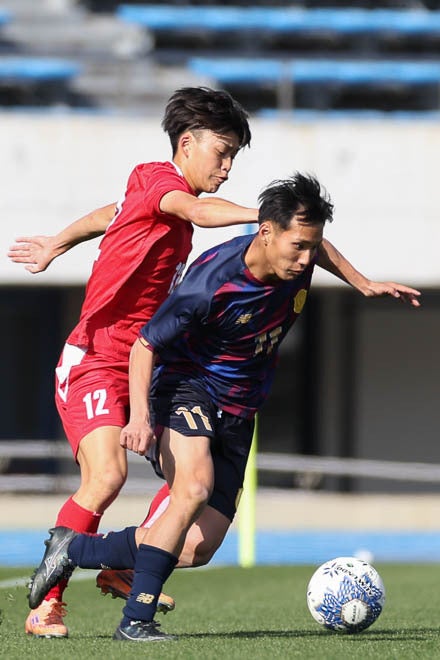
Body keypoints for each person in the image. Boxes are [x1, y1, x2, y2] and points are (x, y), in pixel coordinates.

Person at [28, 172, 421, 642]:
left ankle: (75, 549)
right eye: (298, 246)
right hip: (185, 386)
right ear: (265, 232)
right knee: (192, 488)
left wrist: (362, 282)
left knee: (197, 547)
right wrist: (139, 417)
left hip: (240, 407)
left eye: (311, 247)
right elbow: (145, 344)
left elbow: (321, 249)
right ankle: (136, 621)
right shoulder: (212, 281)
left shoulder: (300, 254)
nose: (305, 259)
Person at [13, 85, 257, 638]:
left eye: (233, 158)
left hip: (150, 365)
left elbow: (111, 213)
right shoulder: (159, 180)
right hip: (96, 358)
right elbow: (198, 209)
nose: (227, 168)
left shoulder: (153, 201)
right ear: (187, 143)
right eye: (222, 152)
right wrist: (265, 216)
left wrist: (57, 243)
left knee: (193, 477)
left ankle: (124, 563)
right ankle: (46, 605)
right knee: (107, 475)